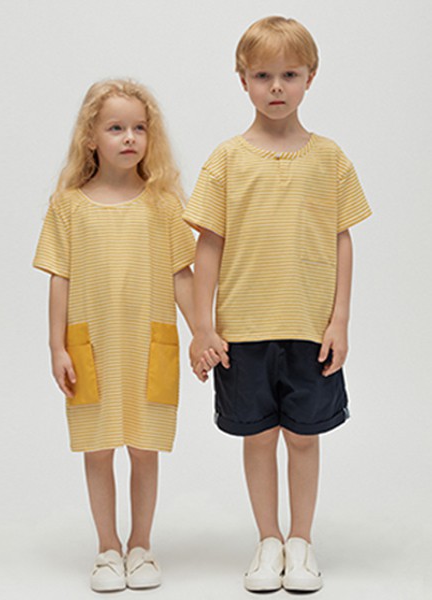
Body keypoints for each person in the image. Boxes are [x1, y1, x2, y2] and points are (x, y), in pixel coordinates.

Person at [184, 16, 372, 593]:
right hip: (242, 329)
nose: (276, 87)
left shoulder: (330, 158)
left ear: (310, 78)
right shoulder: (225, 160)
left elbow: (342, 239)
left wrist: (340, 320)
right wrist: (202, 327)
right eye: (263, 75)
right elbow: (207, 246)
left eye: (289, 75)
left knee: (304, 437)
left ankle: (301, 541)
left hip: (310, 328)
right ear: (242, 79)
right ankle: (268, 540)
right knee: (259, 436)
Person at [33, 79, 196, 592]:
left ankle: (141, 546)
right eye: (116, 128)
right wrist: (57, 346)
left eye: (139, 128)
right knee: (98, 448)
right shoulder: (68, 206)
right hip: (92, 347)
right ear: (91, 138)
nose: (129, 138)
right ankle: (107, 548)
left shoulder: (164, 204)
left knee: (145, 448)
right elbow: (59, 278)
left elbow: (182, 274)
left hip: (149, 345)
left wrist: (202, 333)